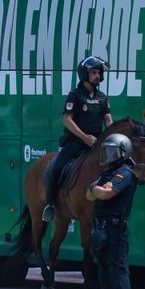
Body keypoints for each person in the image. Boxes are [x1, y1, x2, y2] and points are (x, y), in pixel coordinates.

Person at [44, 55, 111, 222]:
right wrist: (84, 137)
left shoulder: (102, 97)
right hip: (75, 143)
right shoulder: (75, 95)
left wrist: (113, 135)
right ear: (85, 74)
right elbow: (67, 119)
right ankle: (50, 205)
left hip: (96, 145)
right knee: (57, 168)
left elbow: (108, 120)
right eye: (94, 72)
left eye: (99, 73)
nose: (98, 76)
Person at [86, 132, 139, 289]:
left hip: (116, 228)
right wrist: (96, 190)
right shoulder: (107, 173)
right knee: (103, 268)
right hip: (101, 228)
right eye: (107, 151)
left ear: (123, 153)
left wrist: (96, 190)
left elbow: (105, 194)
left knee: (117, 268)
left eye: (112, 151)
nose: (108, 155)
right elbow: (89, 194)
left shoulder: (124, 174)